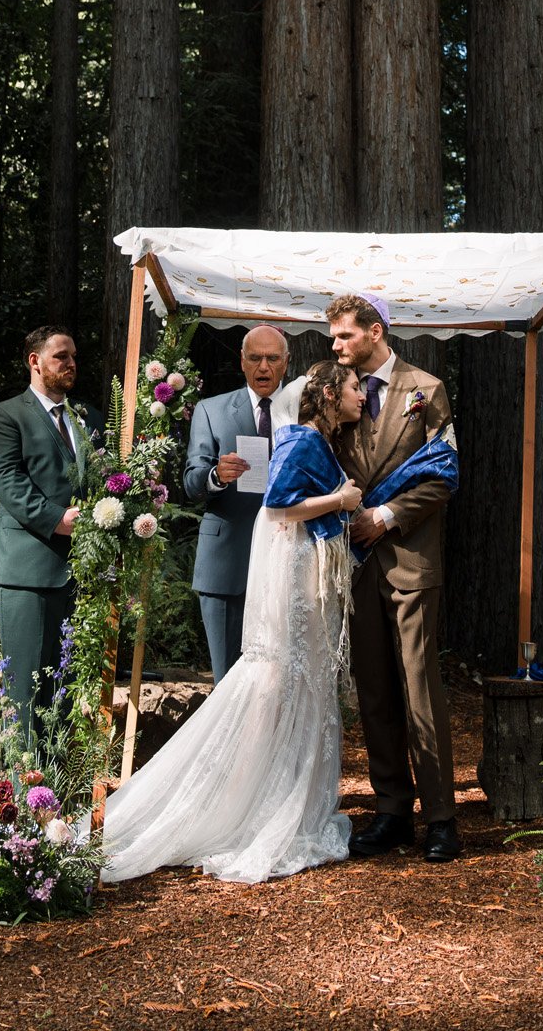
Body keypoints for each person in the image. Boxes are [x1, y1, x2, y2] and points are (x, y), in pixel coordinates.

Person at [101, 358, 365, 885]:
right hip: (294, 578)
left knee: (295, 682)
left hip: (302, 570)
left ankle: (278, 795)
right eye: (355, 387)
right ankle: (246, 802)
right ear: (329, 395)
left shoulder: (314, 439)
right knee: (277, 679)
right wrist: (342, 499)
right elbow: (279, 506)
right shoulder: (304, 440)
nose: (362, 394)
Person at [328, 291, 461, 863]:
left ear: (375, 331)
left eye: (345, 335)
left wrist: (384, 515)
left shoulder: (426, 389)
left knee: (419, 690)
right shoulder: (336, 390)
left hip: (409, 559)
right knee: (376, 692)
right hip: (357, 567)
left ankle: (441, 817)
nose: (336, 345)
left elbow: (444, 475)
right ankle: (391, 811)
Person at [0, 326, 102, 746]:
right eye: (60, 356)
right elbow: (5, 480)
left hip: (80, 571)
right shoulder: (6, 416)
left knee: (64, 693)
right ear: (34, 361)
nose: (71, 364)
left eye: (74, 356)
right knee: (26, 690)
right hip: (27, 569)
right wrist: (57, 519)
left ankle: (58, 782)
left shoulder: (86, 418)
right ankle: (23, 783)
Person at [183, 323, 290, 681]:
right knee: (227, 681)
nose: (264, 367)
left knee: (278, 681)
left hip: (287, 560)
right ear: (242, 361)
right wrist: (216, 475)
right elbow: (191, 482)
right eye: (255, 358)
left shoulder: (303, 410)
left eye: (272, 358)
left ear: (286, 362)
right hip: (227, 561)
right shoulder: (211, 410)